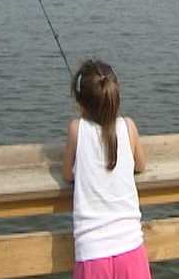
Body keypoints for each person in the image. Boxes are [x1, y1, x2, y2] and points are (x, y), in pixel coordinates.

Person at [62, 59, 150, 279]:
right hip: (131, 248)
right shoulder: (129, 127)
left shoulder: (76, 129)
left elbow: (67, 174)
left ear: (81, 103)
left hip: (93, 252)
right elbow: (140, 165)